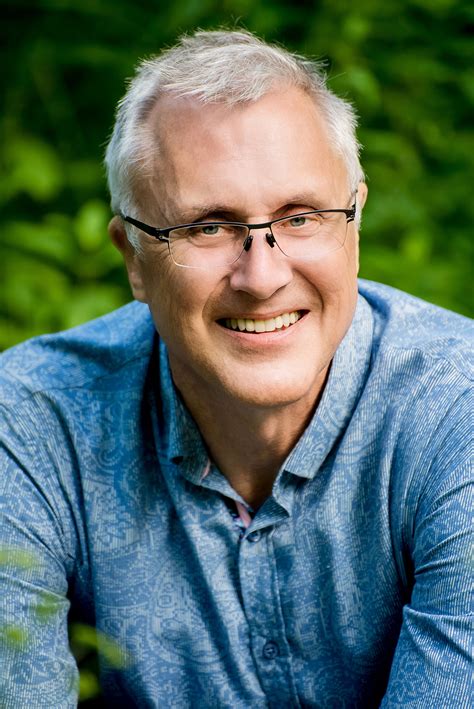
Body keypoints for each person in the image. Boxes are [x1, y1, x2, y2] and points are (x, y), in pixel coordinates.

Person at [0, 29, 472, 708]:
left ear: (354, 225)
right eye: (208, 227)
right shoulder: (31, 423)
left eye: (301, 217)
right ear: (134, 258)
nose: (262, 276)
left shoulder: (458, 411)